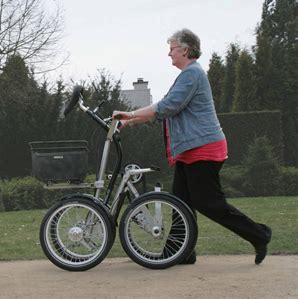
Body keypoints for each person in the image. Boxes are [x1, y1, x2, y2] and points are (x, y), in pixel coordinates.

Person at [112, 28, 272, 265]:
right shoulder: (187, 75)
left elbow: (168, 106)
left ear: (185, 50)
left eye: (172, 48)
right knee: (181, 203)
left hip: (203, 149)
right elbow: (163, 110)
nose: (169, 54)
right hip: (191, 151)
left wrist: (130, 113)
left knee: (208, 203)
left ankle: (259, 235)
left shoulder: (192, 74)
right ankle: (181, 252)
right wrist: (130, 121)